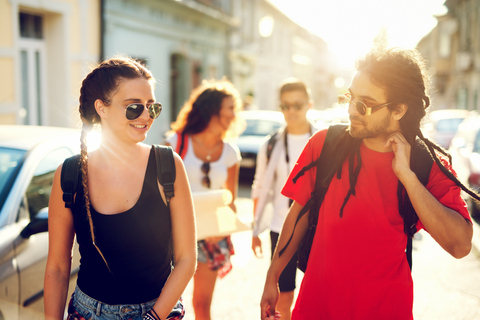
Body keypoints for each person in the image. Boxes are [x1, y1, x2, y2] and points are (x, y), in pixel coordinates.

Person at [260, 47, 480, 320]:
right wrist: (273, 276)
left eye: (364, 104)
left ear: (399, 109)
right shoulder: (325, 145)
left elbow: (460, 246)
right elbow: (298, 215)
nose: (352, 110)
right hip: (316, 309)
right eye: (351, 98)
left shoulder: (424, 165)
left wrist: (409, 179)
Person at [44, 56, 197, 320]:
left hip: (158, 312)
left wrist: (154, 317)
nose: (146, 116)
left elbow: (186, 259)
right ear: (101, 108)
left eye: (152, 106)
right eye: (133, 107)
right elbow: (57, 267)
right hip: (88, 314)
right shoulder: (68, 174)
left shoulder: (168, 166)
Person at [165, 79, 242, 320]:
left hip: (211, 236)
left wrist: (224, 230)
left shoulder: (230, 152)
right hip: (174, 233)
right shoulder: (175, 143)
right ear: (212, 109)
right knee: (165, 303)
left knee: (201, 303)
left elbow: (230, 200)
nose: (234, 114)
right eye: (230, 107)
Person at [251, 78, 317, 320]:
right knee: (283, 296)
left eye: (297, 105)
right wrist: (255, 229)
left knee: (316, 295)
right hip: (281, 229)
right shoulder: (270, 145)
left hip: (317, 229)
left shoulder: (323, 142)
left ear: (309, 105)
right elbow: (259, 187)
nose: (291, 111)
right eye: (285, 106)